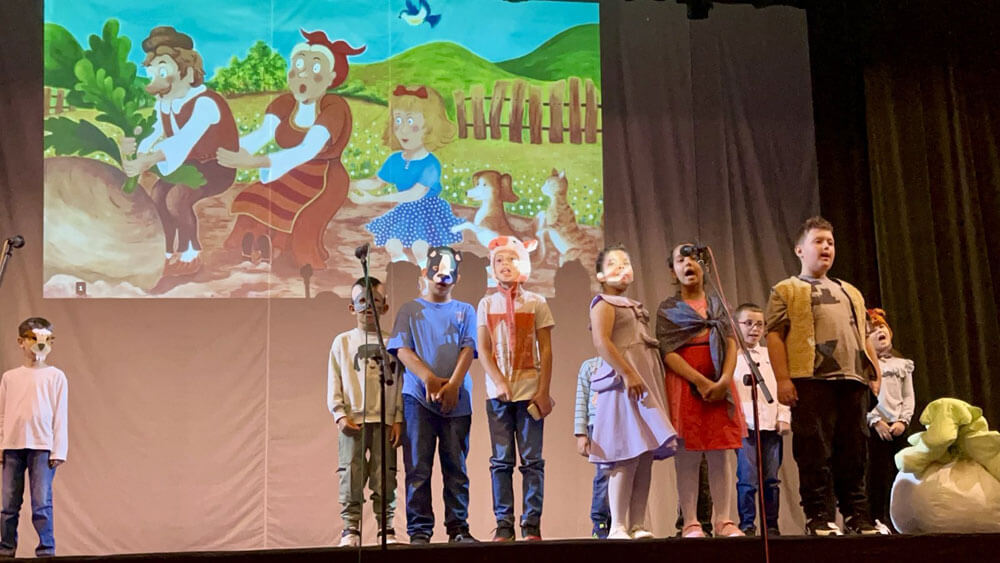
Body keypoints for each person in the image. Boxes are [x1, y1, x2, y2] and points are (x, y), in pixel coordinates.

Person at [765, 216, 882, 536]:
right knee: (814, 450)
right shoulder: (787, 289)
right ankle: (818, 515)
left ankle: (857, 515)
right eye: (818, 241)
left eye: (830, 242)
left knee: (854, 449)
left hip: (852, 381)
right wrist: (783, 379)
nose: (826, 247)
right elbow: (774, 335)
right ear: (800, 250)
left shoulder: (850, 291)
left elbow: (864, 335)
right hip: (810, 381)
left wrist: (874, 371)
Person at [218, 29, 365, 274]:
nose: (302, 75)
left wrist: (255, 162)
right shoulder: (286, 103)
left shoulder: (334, 107)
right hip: (290, 170)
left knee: (300, 217)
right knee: (256, 196)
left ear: (330, 78)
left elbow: (308, 149)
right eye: (298, 66)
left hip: (325, 177)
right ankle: (258, 243)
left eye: (314, 68)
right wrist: (229, 151)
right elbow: (261, 135)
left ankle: (280, 246)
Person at [123, 26, 238, 277]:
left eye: (163, 69)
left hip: (216, 166)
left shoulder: (206, 102)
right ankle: (166, 253)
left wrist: (149, 160)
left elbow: (183, 141)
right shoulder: (164, 102)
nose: (155, 76)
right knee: (158, 195)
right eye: (152, 70)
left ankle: (190, 252)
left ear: (186, 71)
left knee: (177, 199)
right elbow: (155, 131)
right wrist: (138, 151)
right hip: (187, 164)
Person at [388, 247, 478, 544]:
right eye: (436, 271)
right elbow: (402, 349)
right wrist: (428, 378)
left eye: (448, 273)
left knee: (456, 467)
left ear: (457, 278)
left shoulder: (466, 310)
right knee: (418, 467)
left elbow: (468, 348)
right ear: (425, 273)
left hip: (457, 401)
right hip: (417, 400)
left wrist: (453, 385)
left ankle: (458, 528)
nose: (442, 277)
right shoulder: (409, 310)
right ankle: (419, 530)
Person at [657, 244, 745, 538]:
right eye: (680, 260)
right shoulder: (668, 310)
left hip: (720, 385)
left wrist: (724, 380)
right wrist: (700, 381)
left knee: (720, 454)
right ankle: (691, 522)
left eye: (693, 258)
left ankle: (724, 520)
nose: (688, 264)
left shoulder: (718, 304)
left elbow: (731, 342)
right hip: (686, 386)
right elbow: (668, 352)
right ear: (673, 271)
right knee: (688, 456)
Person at [588, 244, 676, 540]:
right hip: (622, 384)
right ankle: (618, 524)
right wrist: (627, 372)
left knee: (645, 454)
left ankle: (638, 522)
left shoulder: (634, 306)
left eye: (626, 263)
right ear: (600, 275)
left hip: (644, 384)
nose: (622, 268)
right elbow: (602, 342)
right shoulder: (603, 303)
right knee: (625, 454)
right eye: (613, 263)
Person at [476, 237, 554, 541]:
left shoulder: (536, 302)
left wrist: (543, 390)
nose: (505, 265)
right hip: (498, 397)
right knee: (501, 461)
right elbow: (483, 349)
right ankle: (504, 523)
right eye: (499, 260)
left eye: (511, 259)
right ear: (492, 268)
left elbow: (546, 349)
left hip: (530, 393)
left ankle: (531, 523)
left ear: (522, 264)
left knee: (532, 461)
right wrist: (498, 381)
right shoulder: (486, 304)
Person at [352, 85, 465, 266]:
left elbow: (415, 194)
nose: (402, 130)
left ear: (430, 128)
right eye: (398, 120)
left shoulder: (430, 163)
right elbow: (377, 182)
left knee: (420, 248)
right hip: (405, 212)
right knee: (392, 246)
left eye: (411, 122)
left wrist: (374, 200)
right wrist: (352, 184)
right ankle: (404, 272)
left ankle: (426, 273)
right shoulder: (395, 159)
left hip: (429, 213)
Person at [328, 277, 403, 546]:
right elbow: (335, 379)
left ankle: (386, 526)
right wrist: (339, 414)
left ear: (385, 307)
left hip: (384, 419)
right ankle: (351, 527)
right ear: (352, 307)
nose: (368, 307)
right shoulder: (343, 342)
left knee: (385, 474)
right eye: (362, 301)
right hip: (354, 420)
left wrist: (397, 418)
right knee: (351, 472)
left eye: (375, 301)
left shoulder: (393, 343)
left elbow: (400, 383)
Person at [0, 318, 68, 557]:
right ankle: (6, 550)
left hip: (42, 446)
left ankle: (46, 551)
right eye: (34, 338)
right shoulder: (10, 377)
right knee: (8, 505)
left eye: (47, 339)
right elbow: (2, 413)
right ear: (21, 342)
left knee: (41, 504)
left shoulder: (56, 376)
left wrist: (59, 450)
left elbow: (60, 415)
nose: (41, 344)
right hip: (13, 446)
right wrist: (1, 444)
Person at [732, 303, 791, 536]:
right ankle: (747, 524)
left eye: (759, 324)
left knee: (771, 479)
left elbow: (782, 388)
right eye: (748, 323)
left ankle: (771, 525)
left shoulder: (771, 356)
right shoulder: (732, 357)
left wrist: (783, 416)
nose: (754, 329)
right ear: (736, 326)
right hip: (745, 426)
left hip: (771, 425)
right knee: (747, 479)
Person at [865, 308, 914, 534]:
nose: (879, 332)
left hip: (898, 427)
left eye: (882, 327)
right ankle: (877, 517)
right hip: (876, 428)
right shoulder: (866, 367)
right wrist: (876, 420)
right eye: (873, 330)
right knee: (877, 475)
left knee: (900, 475)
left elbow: (908, 396)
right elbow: (865, 399)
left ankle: (901, 519)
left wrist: (903, 420)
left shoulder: (902, 364)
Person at [573, 356, 611, 538]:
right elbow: (581, 402)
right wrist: (581, 433)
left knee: (622, 475)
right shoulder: (590, 366)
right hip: (597, 424)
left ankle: (617, 520)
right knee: (604, 473)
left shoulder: (628, 363)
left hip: (621, 423)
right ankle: (600, 521)